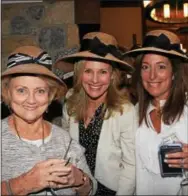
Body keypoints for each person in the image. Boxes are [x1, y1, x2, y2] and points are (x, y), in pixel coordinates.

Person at [1, 45, 97, 195]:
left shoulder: (64, 139)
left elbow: (91, 190)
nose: (31, 100)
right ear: (7, 93)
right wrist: (21, 184)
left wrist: (79, 179)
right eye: (21, 90)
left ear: (50, 95)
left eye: (40, 91)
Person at [54, 32, 137, 195]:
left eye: (103, 72)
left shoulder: (125, 110)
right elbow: (66, 150)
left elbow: (131, 165)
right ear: (78, 73)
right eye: (88, 71)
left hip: (112, 190)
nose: (95, 79)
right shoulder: (70, 103)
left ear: (112, 75)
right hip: (77, 188)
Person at [125, 29, 188, 195]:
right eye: (146, 67)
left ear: (174, 72)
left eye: (161, 67)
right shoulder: (135, 112)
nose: (152, 75)